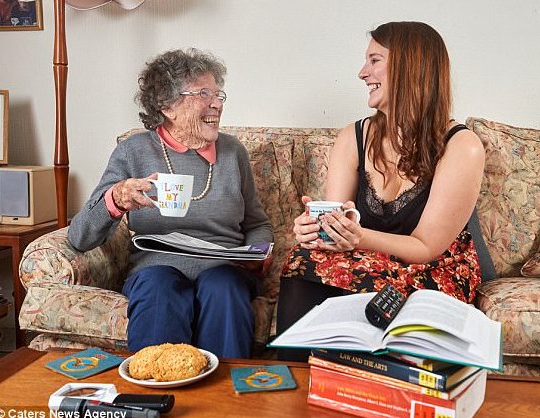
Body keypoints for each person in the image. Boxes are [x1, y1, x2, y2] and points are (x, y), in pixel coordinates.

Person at [277, 22, 494, 360]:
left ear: (411, 67)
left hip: (431, 267)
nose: (362, 72)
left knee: (376, 286)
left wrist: (356, 237)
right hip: (365, 260)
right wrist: (316, 230)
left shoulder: (461, 146)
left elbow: (425, 247)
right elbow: (336, 224)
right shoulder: (354, 137)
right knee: (302, 259)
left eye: (374, 60)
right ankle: (294, 384)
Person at [67, 48, 273, 358]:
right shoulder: (133, 151)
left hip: (223, 269)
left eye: (218, 95)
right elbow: (80, 237)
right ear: (167, 105)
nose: (217, 104)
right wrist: (117, 198)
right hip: (156, 269)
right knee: (159, 288)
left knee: (223, 289)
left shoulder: (233, 152)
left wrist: (258, 255)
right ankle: (155, 396)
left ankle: (222, 401)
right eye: (204, 94)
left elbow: (258, 224)